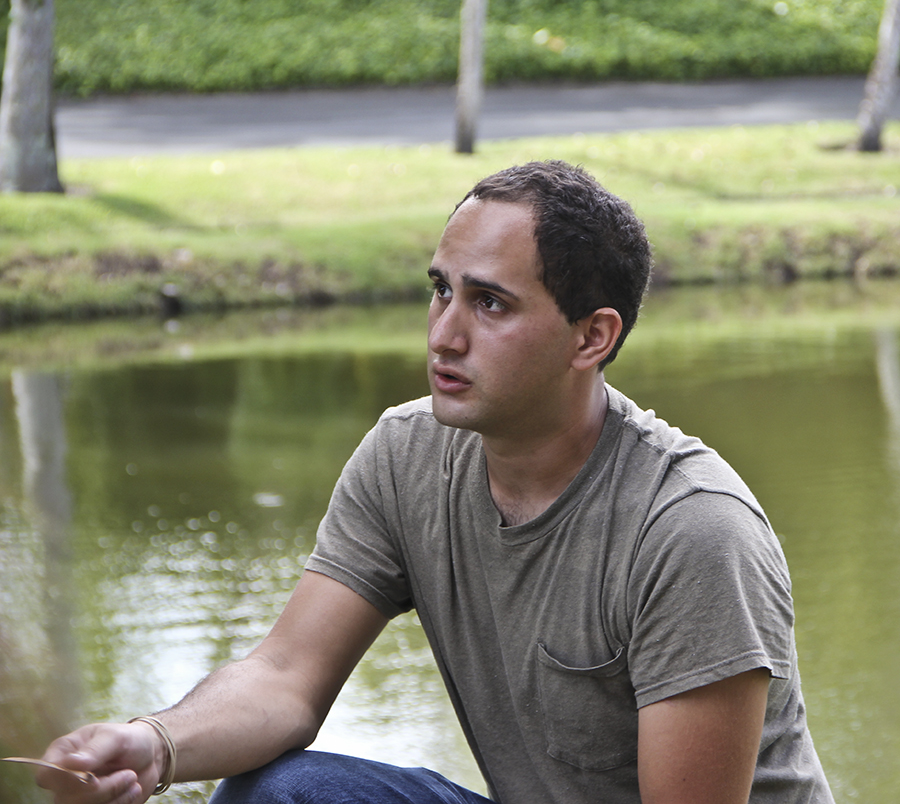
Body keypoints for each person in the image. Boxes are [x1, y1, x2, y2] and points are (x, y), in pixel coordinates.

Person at [37, 160, 833, 804]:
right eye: (441, 289)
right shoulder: (406, 456)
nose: (444, 334)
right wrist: (155, 743)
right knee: (283, 792)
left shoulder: (691, 529)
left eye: (490, 304)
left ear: (592, 337)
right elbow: (285, 677)